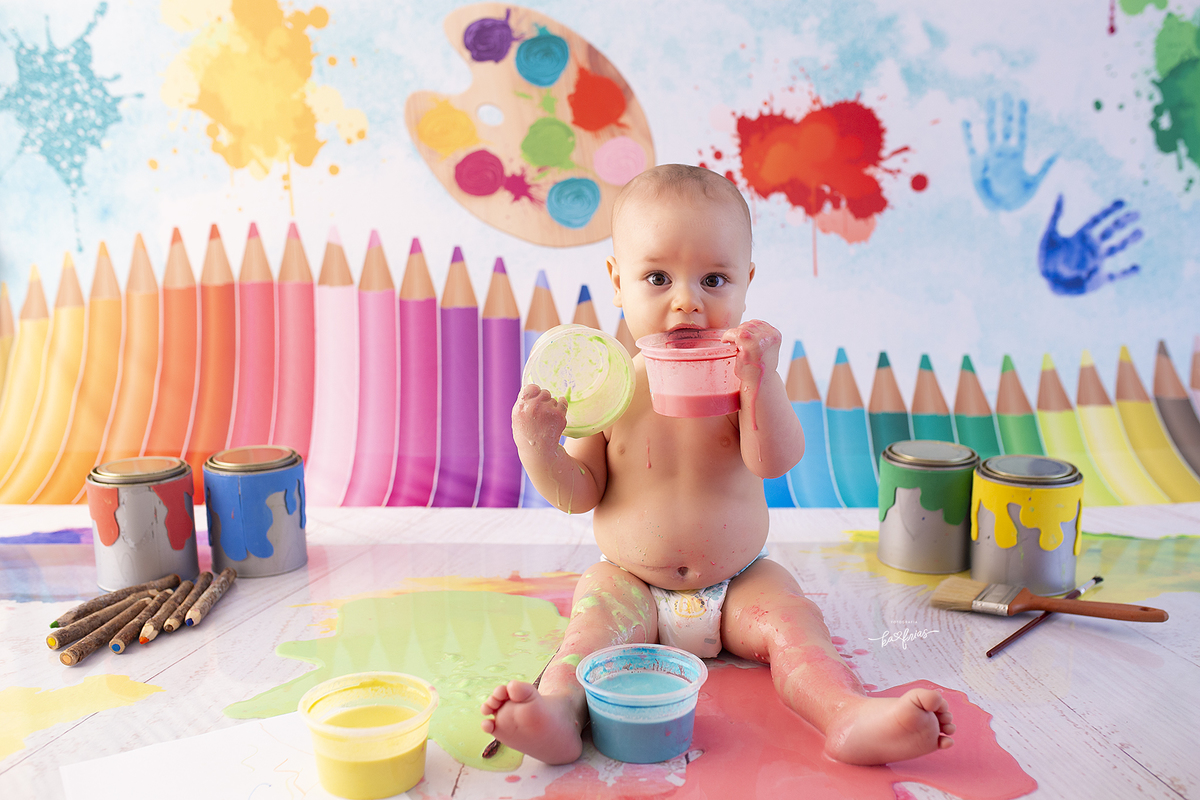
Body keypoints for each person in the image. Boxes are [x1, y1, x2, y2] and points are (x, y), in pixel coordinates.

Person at [481, 164, 955, 765]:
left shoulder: (741, 384)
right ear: (616, 281)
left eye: (713, 279)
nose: (687, 302)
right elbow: (579, 492)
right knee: (587, 634)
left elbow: (774, 461)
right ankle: (556, 713)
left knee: (796, 626)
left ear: (746, 283)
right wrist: (539, 445)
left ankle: (846, 713)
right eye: (657, 278)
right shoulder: (609, 390)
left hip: (739, 584)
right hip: (631, 580)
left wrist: (762, 383)